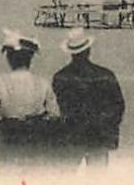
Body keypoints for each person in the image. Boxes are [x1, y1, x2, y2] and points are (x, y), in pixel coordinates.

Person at [0, 30, 61, 167]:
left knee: (2, 178)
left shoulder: (0, 82)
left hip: (7, 136)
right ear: (30, 59)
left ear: (9, 59)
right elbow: (54, 114)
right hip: (34, 137)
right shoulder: (42, 83)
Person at [51, 29, 126, 168]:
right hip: (99, 136)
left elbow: (56, 109)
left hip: (71, 137)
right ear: (88, 50)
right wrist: (108, 127)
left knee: (66, 179)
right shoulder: (105, 74)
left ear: (71, 53)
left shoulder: (60, 77)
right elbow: (118, 106)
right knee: (98, 181)